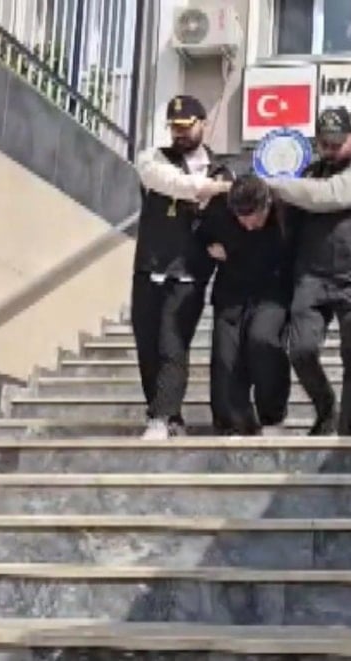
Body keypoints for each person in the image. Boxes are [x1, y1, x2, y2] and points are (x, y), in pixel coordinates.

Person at [266, 108, 351, 436]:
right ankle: (325, 408)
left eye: (337, 143)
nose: (330, 150)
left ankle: (349, 428)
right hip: (312, 277)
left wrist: (277, 184)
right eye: (324, 144)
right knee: (301, 350)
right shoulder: (305, 175)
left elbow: (328, 195)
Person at [132, 94, 233, 441]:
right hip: (149, 267)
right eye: (174, 127)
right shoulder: (153, 159)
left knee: (172, 343)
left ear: (203, 124)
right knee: (147, 346)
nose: (180, 133)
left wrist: (223, 244)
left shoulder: (222, 170)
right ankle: (169, 415)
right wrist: (213, 189)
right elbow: (171, 182)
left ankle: (159, 418)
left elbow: (228, 219)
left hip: (190, 272)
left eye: (186, 127)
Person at [199, 174, 293, 435]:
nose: (249, 225)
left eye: (255, 217)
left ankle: (272, 416)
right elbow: (197, 229)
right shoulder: (220, 209)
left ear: (267, 204)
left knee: (263, 341)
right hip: (231, 292)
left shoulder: (285, 213)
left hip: (271, 292)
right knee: (225, 358)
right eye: (242, 219)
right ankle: (233, 422)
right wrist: (209, 246)